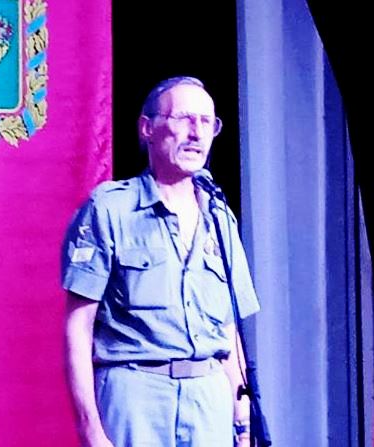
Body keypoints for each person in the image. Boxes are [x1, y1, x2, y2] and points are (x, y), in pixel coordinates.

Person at [62, 76, 260, 447]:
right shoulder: (110, 209)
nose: (196, 133)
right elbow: (78, 325)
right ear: (147, 128)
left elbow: (228, 328)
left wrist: (242, 420)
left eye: (207, 122)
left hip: (208, 398)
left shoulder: (219, 215)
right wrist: (90, 429)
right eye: (184, 118)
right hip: (135, 394)